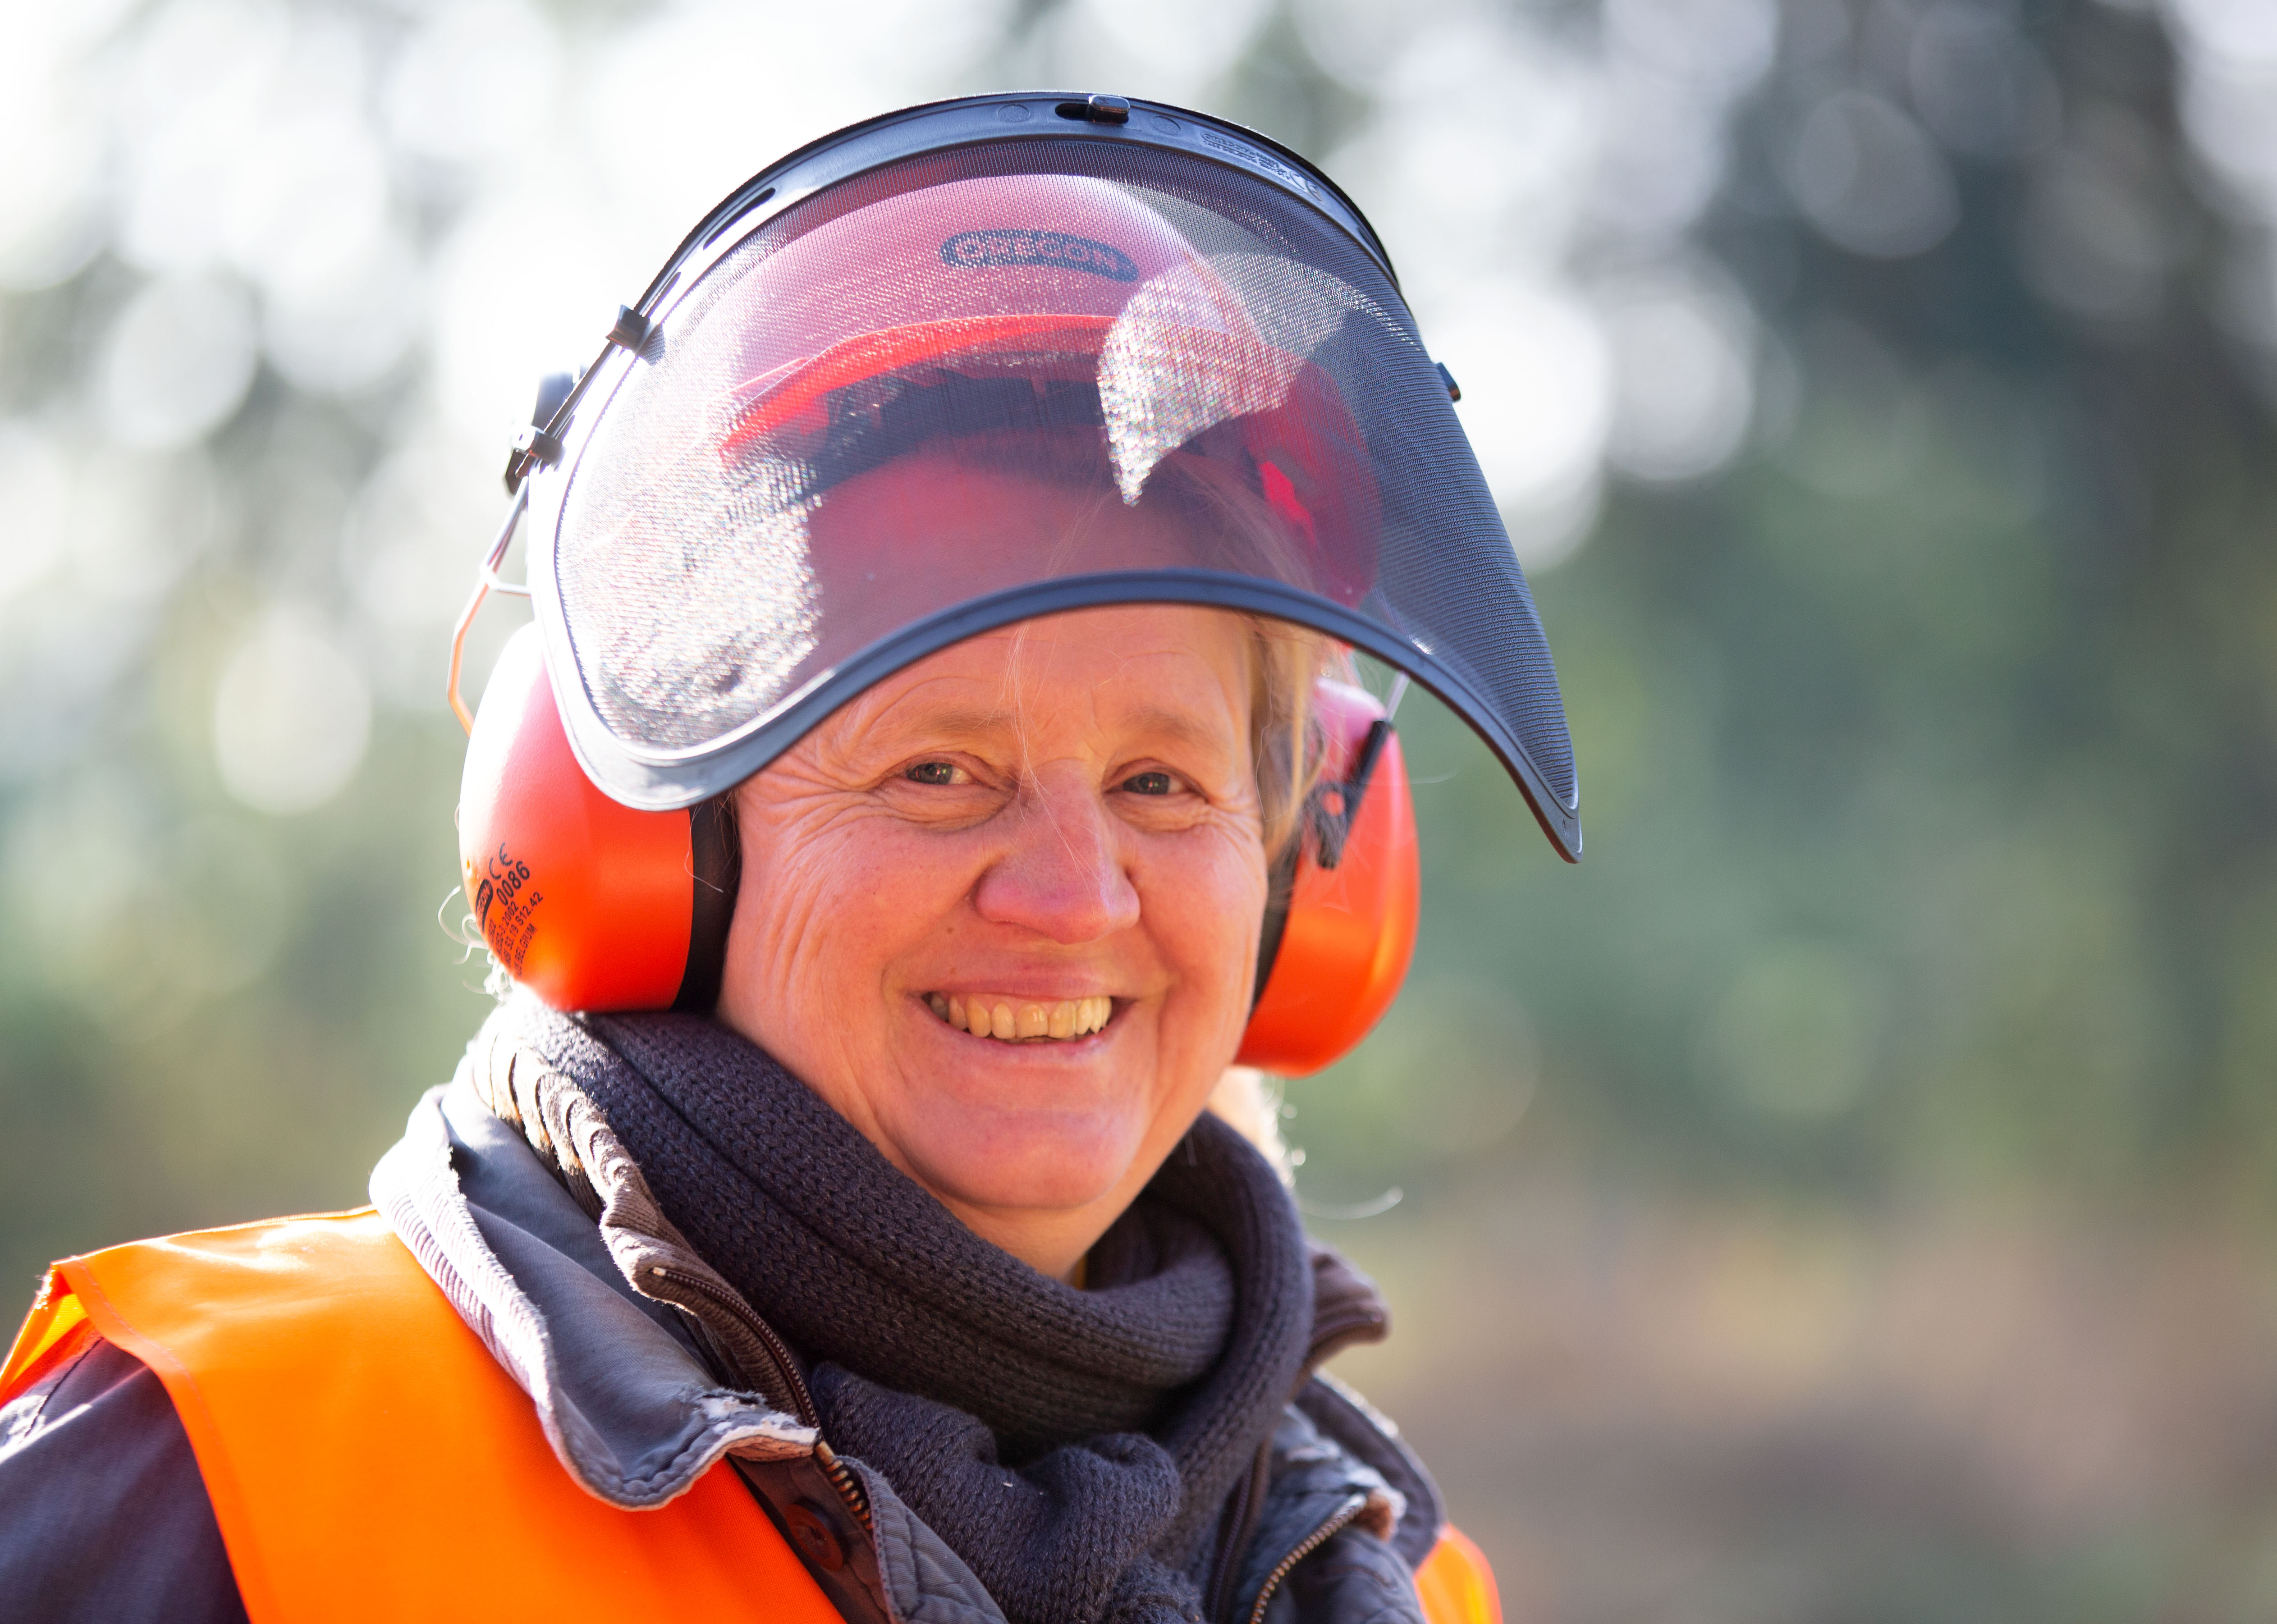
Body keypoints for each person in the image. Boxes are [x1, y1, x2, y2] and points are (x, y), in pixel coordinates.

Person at [0, 94, 1581, 1624]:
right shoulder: (230, 1472)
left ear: (1303, 872)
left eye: (1162, 782)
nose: (1071, 895)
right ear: (655, 842)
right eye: (939, 771)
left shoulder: (1397, 1585)